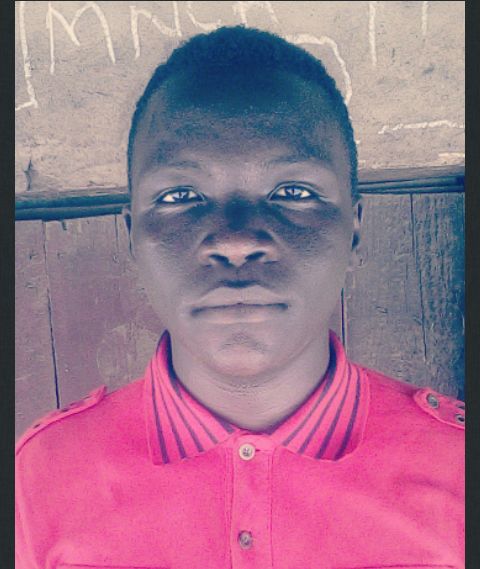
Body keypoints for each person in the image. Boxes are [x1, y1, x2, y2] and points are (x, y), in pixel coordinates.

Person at [15, 26, 464, 569]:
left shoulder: (458, 467)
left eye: (292, 192)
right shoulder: (41, 477)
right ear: (132, 235)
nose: (234, 240)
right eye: (181, 195)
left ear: (354, 228)